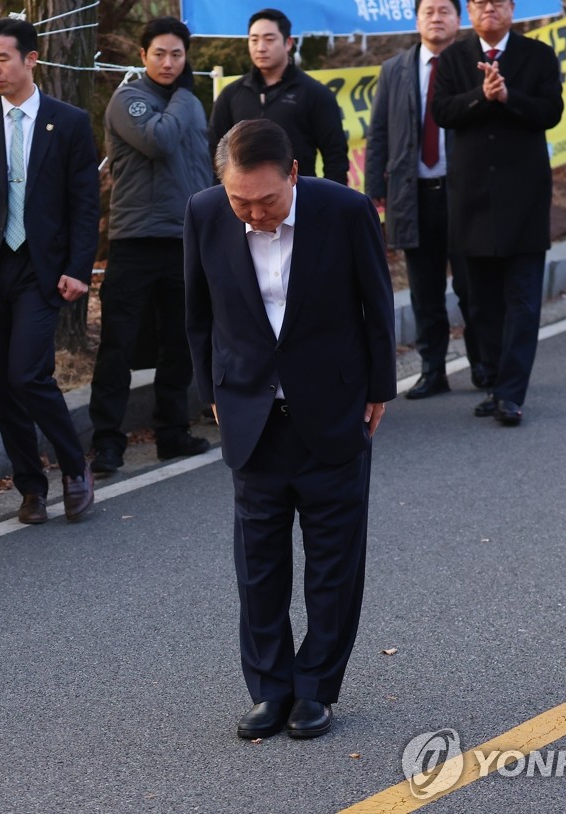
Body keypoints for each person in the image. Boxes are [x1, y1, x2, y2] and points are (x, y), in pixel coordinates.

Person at [184, 120, 396, 740]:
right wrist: (213, 393)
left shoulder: (346, 210)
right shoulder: (204, 213)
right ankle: (269, 688)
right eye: (240, 201)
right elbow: (197, 315)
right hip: (252, 415)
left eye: (267, 200)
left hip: (333, 410)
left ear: (294, 174)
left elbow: (375, 305)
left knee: (333, 564)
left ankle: (316, 688)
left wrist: (379, 387)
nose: (254, 213)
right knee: (259, 565)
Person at [0, 18, 97, 524]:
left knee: (28, 373)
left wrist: (79, 267)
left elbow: (84, 204)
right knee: (3, 386)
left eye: (2, 58)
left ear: (31, 59)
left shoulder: (69, 121)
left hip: (41, 267)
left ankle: (75, 467)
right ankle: (31, 487)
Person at [88, 17, 212, 474]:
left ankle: (172, 433)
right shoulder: (130, 99)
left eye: (176, 54)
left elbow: (204, 166)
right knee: (118, 345)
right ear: (142, 57)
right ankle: (107, 442)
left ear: (186, 57)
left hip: (184, 238)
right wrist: (183, 94)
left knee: (180, 342)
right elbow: (158, 141)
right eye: (159, 53)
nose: (167, 62)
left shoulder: (191, 104)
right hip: (136, 239)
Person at [432, 0, 563, 426]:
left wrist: (509, 97)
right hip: (472, 198)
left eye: (499, 3)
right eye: (480, 3)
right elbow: (443, 113)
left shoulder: (537, 55)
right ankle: (493, 381)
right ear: (470, 11)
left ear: (511, 10)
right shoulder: (454, 57)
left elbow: (552, 111)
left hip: (524, 197)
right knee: (481, 301)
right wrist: (481, 97)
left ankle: (510, 393)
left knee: (523, 301)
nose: (489, 9)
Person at [367, 0, 488, 399]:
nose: (436, 18)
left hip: (464, 194)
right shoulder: (394, 69)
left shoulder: (475, 64)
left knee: (472, 287)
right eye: (428, 11)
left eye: (445, 11)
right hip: (413, 195)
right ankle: (432, 370)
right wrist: (375, 192)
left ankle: (484, 366)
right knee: (424, 291)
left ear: (460, 19)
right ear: (416, 19)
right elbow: (379, 133)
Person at [207, 8, 349, 185]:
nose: (260, 48)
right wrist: (222, 200)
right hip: (242, 200)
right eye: (254, 40)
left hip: (298, 199)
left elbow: (335, 155)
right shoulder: (231, 95)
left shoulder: (314, 93)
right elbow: (215, 151)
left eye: (269, 39)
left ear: (288, 43)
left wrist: (332, 203)